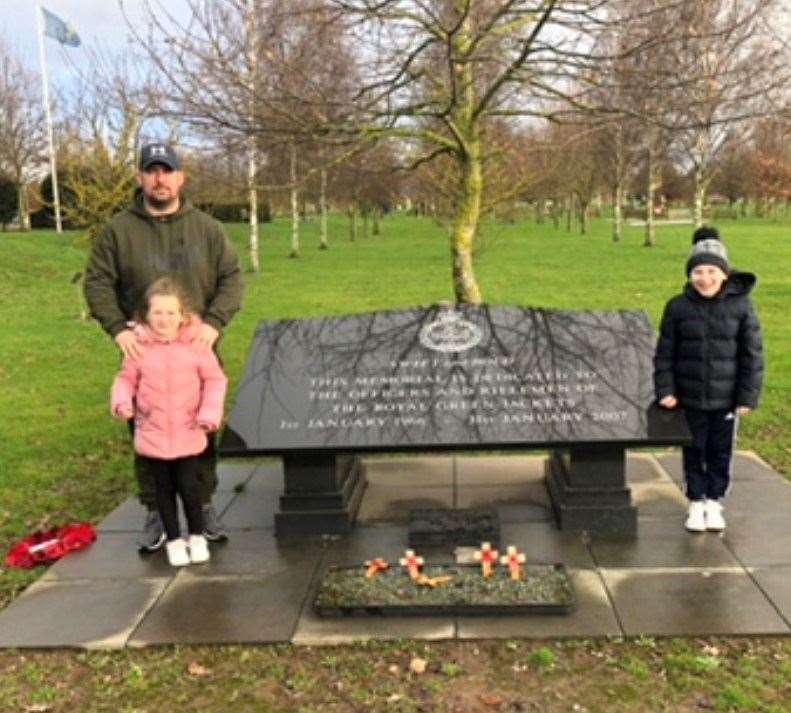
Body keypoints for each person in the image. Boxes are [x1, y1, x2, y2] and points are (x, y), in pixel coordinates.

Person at [84, 143, 243, 552]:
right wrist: (118, 329)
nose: (160, 179)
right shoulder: (119, 231)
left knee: (201, 429)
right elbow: (97, 282)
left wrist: (214, 323)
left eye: (167, 171)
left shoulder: (207, 229)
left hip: (196, 349)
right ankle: (157, 510)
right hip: (144, 354)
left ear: (180, 177)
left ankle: (202, 507)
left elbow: (231, 278)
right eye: (151, 171)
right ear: (140, 177)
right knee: (147, 430)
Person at [111, 277, 228, 566]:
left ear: (183, 315)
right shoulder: (138, 346)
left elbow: (214, 380)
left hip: (188, 430)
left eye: (170, 313)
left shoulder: (197, 344)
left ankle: (197, 536)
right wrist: (121, 401)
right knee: (162, 489)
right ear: (145, 315)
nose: (164, 319)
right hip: (153, 432)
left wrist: (209, 412)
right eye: (157, 313)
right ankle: (174, 540)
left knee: (190, 487)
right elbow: (125, 378)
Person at [654, 226, 763, 533]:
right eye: (698, 271)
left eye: (712, 271)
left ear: (724, 274)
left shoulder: (741, 308)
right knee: (694, 449)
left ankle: (714, 500)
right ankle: (695, 501)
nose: (705, 278)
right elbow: (665, 353)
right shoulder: (677, 307)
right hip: (689, 398)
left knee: (720, 451)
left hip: (726, 399)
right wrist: (666, 389)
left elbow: (752, 355)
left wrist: (747, 396)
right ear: (690, 275)